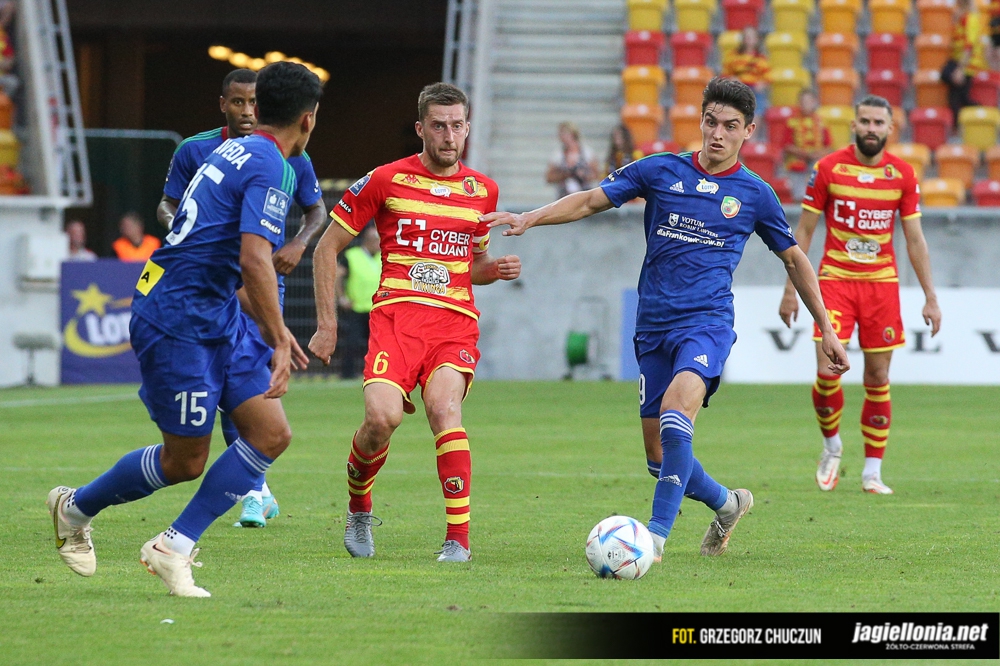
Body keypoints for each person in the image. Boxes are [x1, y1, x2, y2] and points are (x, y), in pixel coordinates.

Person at [483, 77, 848, 561]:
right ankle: (728, 503)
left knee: (678, 414)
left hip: (707, 323)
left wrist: (826, 328)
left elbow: (795, 259)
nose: (717, 133)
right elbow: (590, 199)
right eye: (711, 122)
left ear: (749, 131)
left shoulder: (755, 194)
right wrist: (530, 217)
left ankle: (651, 541)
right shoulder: (660, 170)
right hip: (653, 324)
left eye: (731, 126)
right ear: (701, 120)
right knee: (659, 458)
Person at [46, 61, 321, 597]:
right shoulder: (272, 165)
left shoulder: (235, 151)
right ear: (308, 119)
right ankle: (74, 507)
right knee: (185, 461)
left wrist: (271, 330)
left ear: (261, 107)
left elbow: (221, 254)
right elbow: (253, 259)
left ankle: (172, 547)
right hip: (176, 317)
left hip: (213, 309)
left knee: (271, 434)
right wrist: (279, 338)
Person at [309, 82, 521, 563]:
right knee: (380, 419)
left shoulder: (482, 191)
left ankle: (458, 539)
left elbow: (471, 267)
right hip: (397, 320)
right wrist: (327, 325)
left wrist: (495, 270)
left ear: (468, 128)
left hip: (453, 324)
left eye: (458, 126)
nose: (449, 136)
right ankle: (359, 507)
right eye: (439, 126)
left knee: (444, 410)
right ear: (421, 128)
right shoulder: (385, 180)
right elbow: (326, 247)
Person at [157, 68, 328, 528]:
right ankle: (252, 492)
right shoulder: (200, 149)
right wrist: (184, 229)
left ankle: (251, 493)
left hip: (248, 287)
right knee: (221, 410)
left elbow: (315, 211)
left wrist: (298, 244)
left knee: (245, 393)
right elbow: (170, 204)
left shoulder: (286, 157)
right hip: (210, 286)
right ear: (224, 105)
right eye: (238, 102)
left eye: (253, 102)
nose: (247, 110)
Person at [779, 95, 941, 495]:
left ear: (890, 129)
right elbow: (803, 232)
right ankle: (832, 445)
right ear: (854, 125)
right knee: (827, 372)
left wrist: (930, 296)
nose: (871, 128)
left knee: (878, 377)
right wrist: (790, 290)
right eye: (865, 121)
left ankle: (872, 472)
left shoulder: (902, 174)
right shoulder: (828, 168)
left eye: (878, 123)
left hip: (881, 286)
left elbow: (915, 239)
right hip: (834, 281)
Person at [335, 223, 380, 379]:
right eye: (376, 241)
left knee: (378, 344)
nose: (379, 244)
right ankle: (347, 373)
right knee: (351, 343)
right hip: (357, 307)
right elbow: (338, 276)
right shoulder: (352, 256)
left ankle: (376, 373)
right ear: (368, 241)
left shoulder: (383, 256)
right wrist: (342, 297)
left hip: (377, 309)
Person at [942, 0, 989, 122]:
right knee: (959, 97)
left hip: (967, 64)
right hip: (958, 60)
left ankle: (981, 115)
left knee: (957, 99)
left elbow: (969, 46)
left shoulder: (971, 18)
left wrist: (960, 70)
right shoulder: (960, 16)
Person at [723, 27, 770, 114]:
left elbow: (767, 77)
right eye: (746, 36)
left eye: (751, 36)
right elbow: (725, 74)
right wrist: (732, 78)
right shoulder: (733, 56)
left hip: (754, 91)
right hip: (738, 90)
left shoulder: (761, 59)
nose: (749, 39)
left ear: (757, 39)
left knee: (755, 115)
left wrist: (762, 84)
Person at [782, 89, 831, 172]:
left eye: (808, 101)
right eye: (803, 101)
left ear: (814, 102)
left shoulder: (822, 122)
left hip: (817, 158)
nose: (805, 104)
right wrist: (804, 153)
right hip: (798, 159)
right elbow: (787, 146)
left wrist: (816, 154)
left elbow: (829, 146)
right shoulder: (792, 121)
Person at [547, 121, 599, 198]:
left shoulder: (587, 153)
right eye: (562, 134)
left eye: (566, 134)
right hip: (564, 196)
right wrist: (564, 175)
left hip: (584, 194)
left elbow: (597, 174)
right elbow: (549, 177)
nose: (563, 137)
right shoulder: (558, 155)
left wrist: (583, 175)